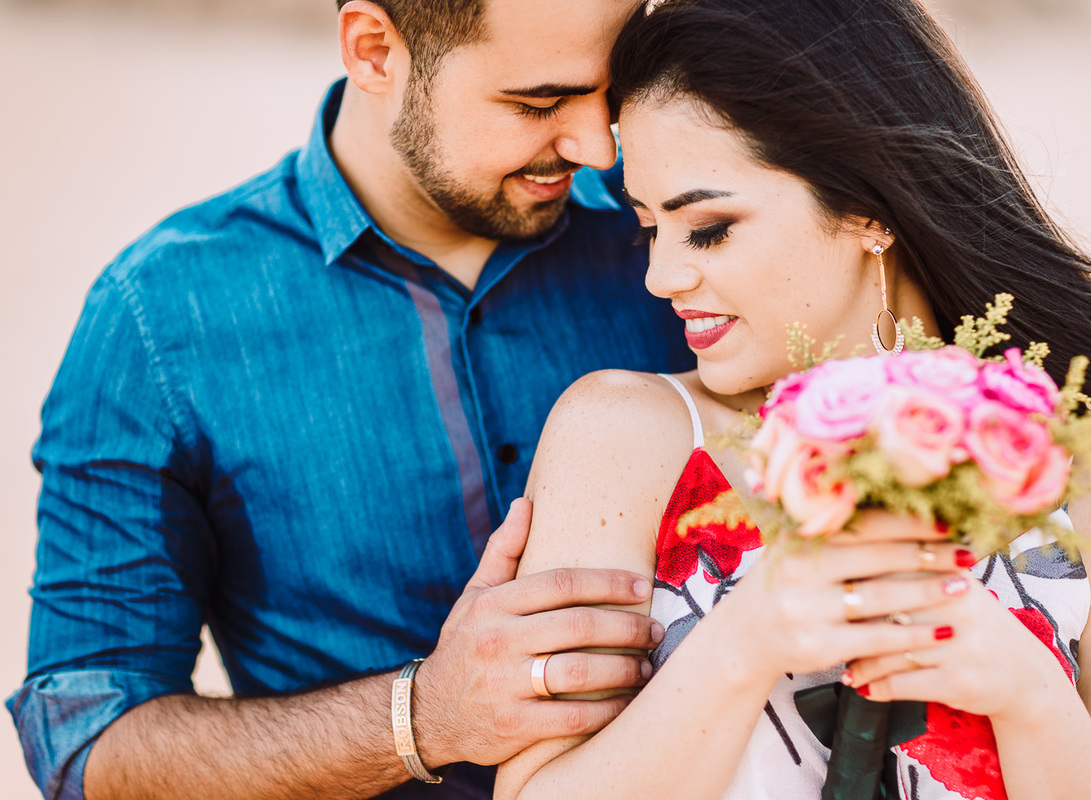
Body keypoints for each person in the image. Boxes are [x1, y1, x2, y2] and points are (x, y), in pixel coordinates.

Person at [494, 1, 1091, 798]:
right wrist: (746, 641)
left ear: (869, 209)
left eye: (710, 228)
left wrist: (1029, 697)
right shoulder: (627, 437)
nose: (661, 277)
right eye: (647, 227)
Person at [7, 1, 695, 799]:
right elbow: (85, 738)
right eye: (539, 103)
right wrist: (424, 716)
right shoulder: (158, 318)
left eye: (608, 94)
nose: (594, 145)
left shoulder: (683, 228)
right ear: (374, 51)